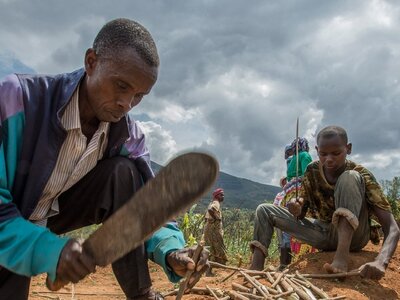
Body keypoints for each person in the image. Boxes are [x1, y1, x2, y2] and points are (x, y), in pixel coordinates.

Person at [0, 18, 209, 300]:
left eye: (139, 96)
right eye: (121, 86)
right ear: (91, 62)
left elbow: (148, 203)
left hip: (48, 215)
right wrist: (50, 252)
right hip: (10, 218)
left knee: (123, 173)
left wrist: (170, 250)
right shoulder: (16, 100)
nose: (127, 104)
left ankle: (141, 293)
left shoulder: (127, 137)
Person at [249, 126, 400, 280]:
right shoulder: (312, 171)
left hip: (355, 237)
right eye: (323, 154)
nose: (329, 159)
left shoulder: (360, 173)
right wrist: (297, 206)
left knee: (349, 177)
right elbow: (301, 211)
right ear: (316, 150)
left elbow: (392, 227)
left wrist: (381, 262)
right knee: (264, 210)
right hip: (324, 234)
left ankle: (341, 259)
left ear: (348, 149)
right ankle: (255, 269)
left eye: (336, 153)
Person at [203, 188, 228, 276]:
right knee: (213, 249)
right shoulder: (216, 203)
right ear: (217, 196)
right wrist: (216, 218)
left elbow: (206, 216)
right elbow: (210, 209)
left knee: (211, 249)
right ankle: (209, 271)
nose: (223, 196)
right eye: (221, 195)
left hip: (210, 230)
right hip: (213, 231)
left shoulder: (213, 202)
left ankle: (210, 270)